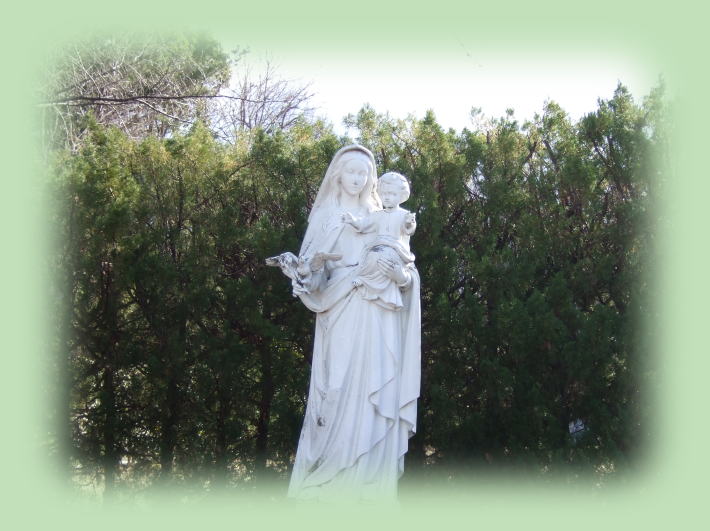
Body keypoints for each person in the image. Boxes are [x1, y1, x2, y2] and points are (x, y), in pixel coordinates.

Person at [284, 145, 421, 502]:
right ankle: (326, 485)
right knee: (336, 389)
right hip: (341, 309)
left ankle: (369, 488)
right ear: (338, 175)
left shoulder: (383, 214)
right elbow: (314, 276)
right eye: (352, 172)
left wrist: (401, 277)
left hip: (379, 313)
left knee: (376, 392)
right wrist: (304, 274)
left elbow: (406, 269)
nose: (358, 179)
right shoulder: (326, 216)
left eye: (364, 174)